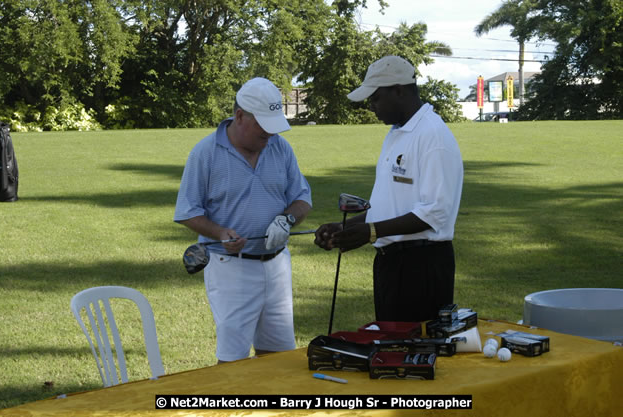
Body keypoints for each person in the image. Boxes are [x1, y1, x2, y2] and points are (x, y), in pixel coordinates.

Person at [314, 56, 463, 323]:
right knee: (390, 349)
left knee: (413, 354)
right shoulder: (397, 133)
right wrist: (346, 227)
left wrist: (371, 231)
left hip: (422, 266)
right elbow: (390, 205)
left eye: (376, 98)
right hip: (391, 263)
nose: (371, 106)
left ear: (399, 90)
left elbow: (435, 212)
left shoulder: (432, 136)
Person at [174, 77, 312, 362]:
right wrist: (221, 233)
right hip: (230, 269)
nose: (270, 135)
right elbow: (188, 211)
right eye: (264, 128)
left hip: (276, 265)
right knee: (233, 360)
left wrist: (286, 220)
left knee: (279, 357)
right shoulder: (206, 153)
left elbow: (301, 198)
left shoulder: (280, 148)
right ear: (239, 116)